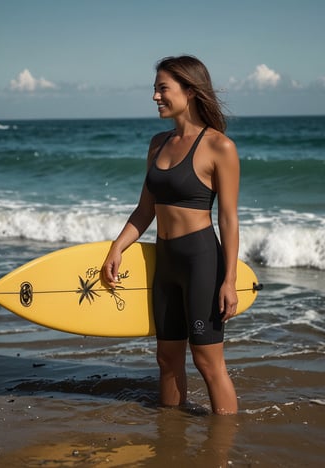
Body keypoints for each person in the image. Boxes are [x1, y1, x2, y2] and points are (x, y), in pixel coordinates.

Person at [102, 55, 240, 415]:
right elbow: (145, 209)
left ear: (190, 91)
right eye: (155, 89)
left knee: (209, 363)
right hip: (166, 262)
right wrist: (117, 248)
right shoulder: (157, 143)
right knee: (167, 359)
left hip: (201, 261)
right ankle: (171, 440)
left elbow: (228, 218)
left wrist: (230, 280)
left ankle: (225, 443)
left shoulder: (218, 147)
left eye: (162, 89)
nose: (155, 97)